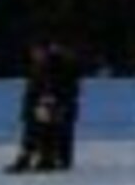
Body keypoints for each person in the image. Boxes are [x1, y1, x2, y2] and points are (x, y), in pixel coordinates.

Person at [5, 42, 82, 173]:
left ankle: (52, 159)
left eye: (39, 52)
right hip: (40, 105)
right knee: (35, 131)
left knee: (54, 131)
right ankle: (32, 157)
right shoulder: (40, 68)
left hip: (54, 105)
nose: (36, 55)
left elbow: (67, 88)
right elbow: (34, 89)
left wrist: (52, 99)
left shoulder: (61, 67)